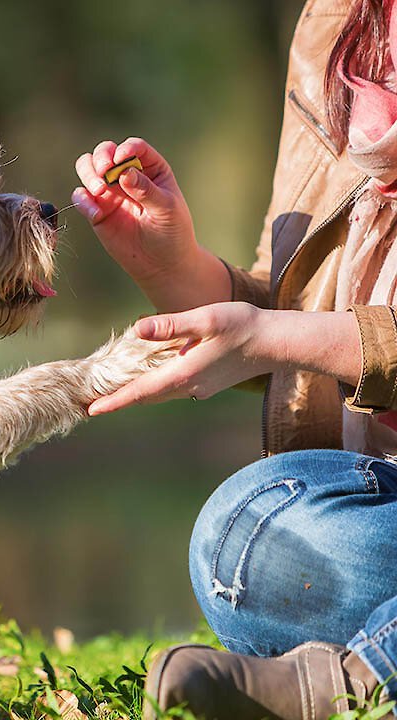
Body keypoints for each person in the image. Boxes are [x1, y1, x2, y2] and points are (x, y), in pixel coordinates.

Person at [73, 1, 397, 718]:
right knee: (245, 537)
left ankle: (359, 681)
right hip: (382, 523)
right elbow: (298, 315)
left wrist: (268, 334)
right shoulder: (333, 31)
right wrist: (175, 265)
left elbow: (284, 334)